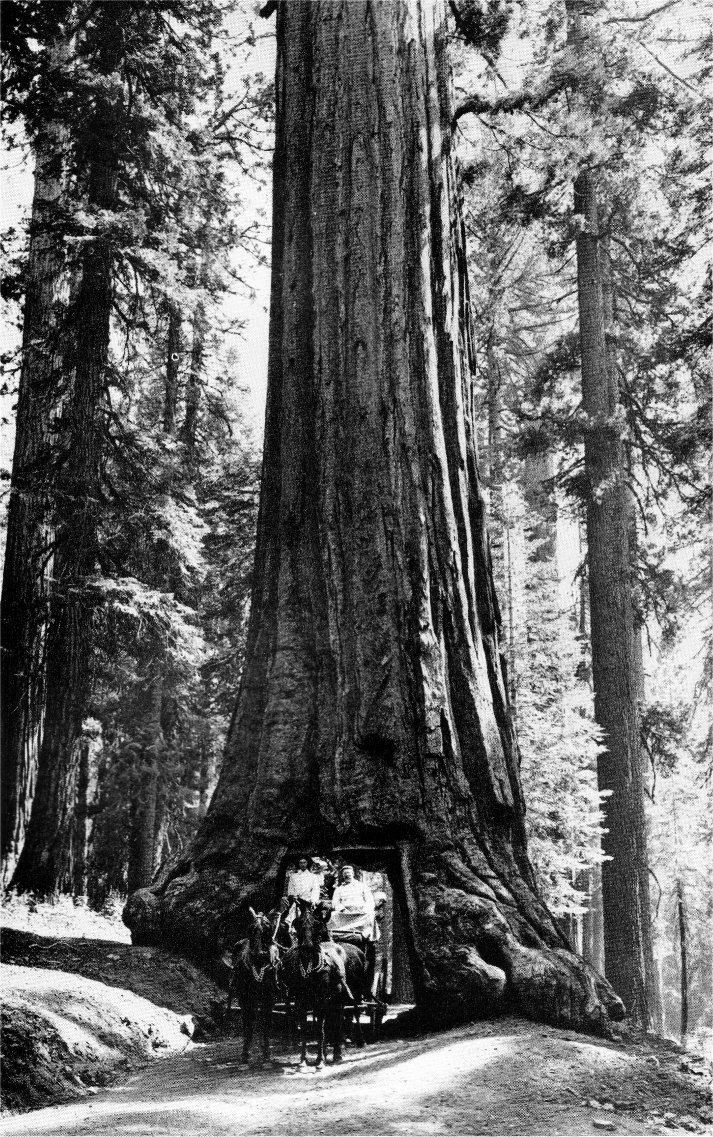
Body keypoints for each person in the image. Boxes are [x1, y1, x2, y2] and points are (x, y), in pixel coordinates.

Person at [328, 865, 375, 940]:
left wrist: (363, 910)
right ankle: (339, 933)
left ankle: (364, 934)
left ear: (353, 874)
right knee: (334, 915)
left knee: (369, 914)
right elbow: (335, 902)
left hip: (360, 913)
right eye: (345, 874)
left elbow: (370, 901)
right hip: (345, 914)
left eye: (349, 873)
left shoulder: (362, 886)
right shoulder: (339, 889)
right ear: (343, 876)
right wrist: (342, 909)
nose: (347, 875)